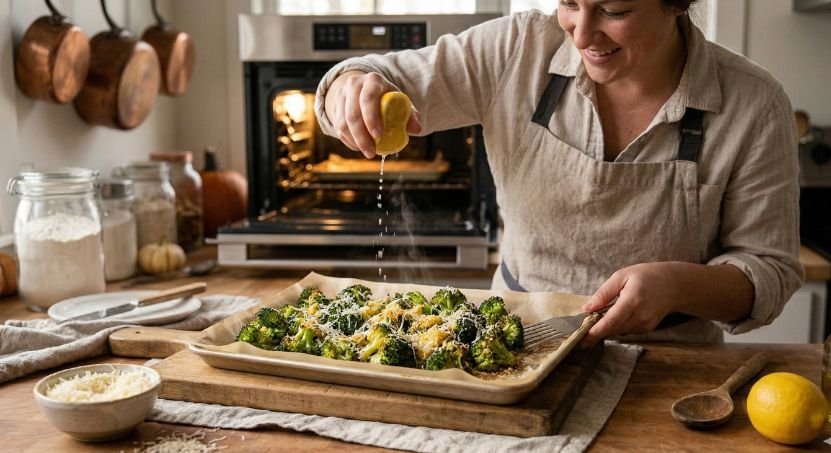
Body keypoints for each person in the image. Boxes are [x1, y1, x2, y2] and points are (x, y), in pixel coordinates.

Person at [314, 0, 803, 346]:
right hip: (513, 345)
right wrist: (351, 85)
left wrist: (677, 285)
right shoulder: (516, 48)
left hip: (668, 369)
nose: (583, 34)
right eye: (569, 2)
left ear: (676, 3)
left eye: (614, 11)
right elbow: (380, 73)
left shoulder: (753, 103)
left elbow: (770, 270)